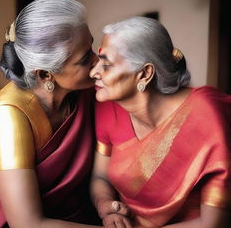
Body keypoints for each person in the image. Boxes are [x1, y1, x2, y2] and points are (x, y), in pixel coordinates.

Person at [90, 17, 231, 228]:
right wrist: (107, 209)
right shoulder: (108, 107)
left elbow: (213, 223)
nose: (94, 72)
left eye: (107, 65)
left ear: (145, 73)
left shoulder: (206, 114)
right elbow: (100, 177)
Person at [0, 0, 102, 228]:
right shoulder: (8, 115)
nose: (98, 62)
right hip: (1, 217)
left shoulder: (82, 94)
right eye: (85, 59)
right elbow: (26, 223)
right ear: (45, 74)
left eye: (92, 46)